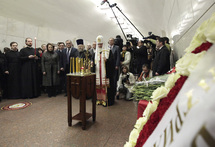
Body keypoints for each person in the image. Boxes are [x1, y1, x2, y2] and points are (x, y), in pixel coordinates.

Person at [95, 35, 114, 107]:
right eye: (98, 44)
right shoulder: (95, 52)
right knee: (98, 85)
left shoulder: (108, 51)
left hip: (105, 72)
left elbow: (112, 62)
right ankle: (99, 99)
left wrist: (107, 61)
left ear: (103, 44)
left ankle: (105, 100)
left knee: (105, 85)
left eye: (101, 44)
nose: (100, 45)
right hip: (98, 72)